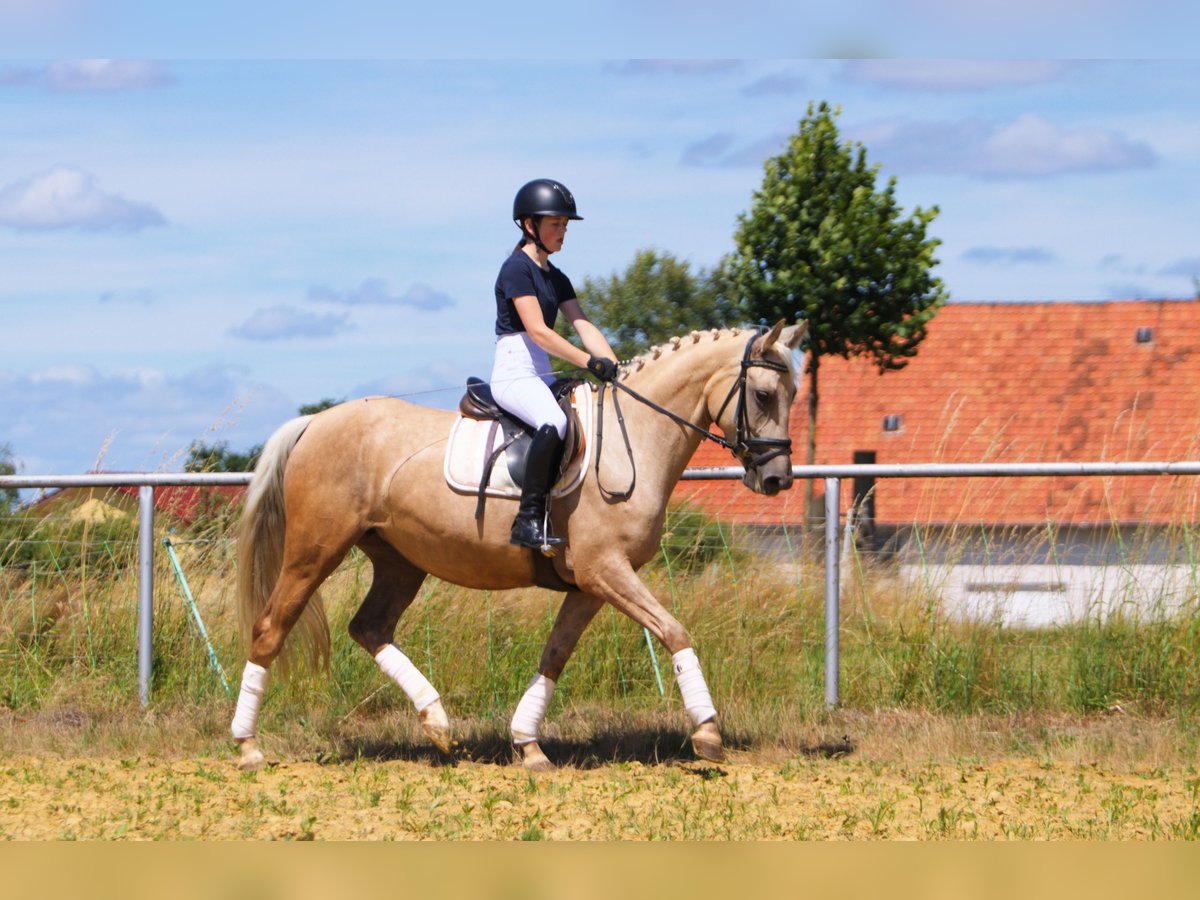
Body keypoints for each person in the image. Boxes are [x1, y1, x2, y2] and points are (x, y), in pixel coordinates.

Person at [492, 178, 619, 551]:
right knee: (556, 421)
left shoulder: (556, 276)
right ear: (530, 225)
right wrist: (589, 363)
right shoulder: (516, 269)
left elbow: (583, 325)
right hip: (514, 369)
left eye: (565, 226)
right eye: (556, 225)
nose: (563, 233)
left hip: (540, 370)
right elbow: (538, 331)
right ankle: (527, 519)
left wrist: (616, 367)